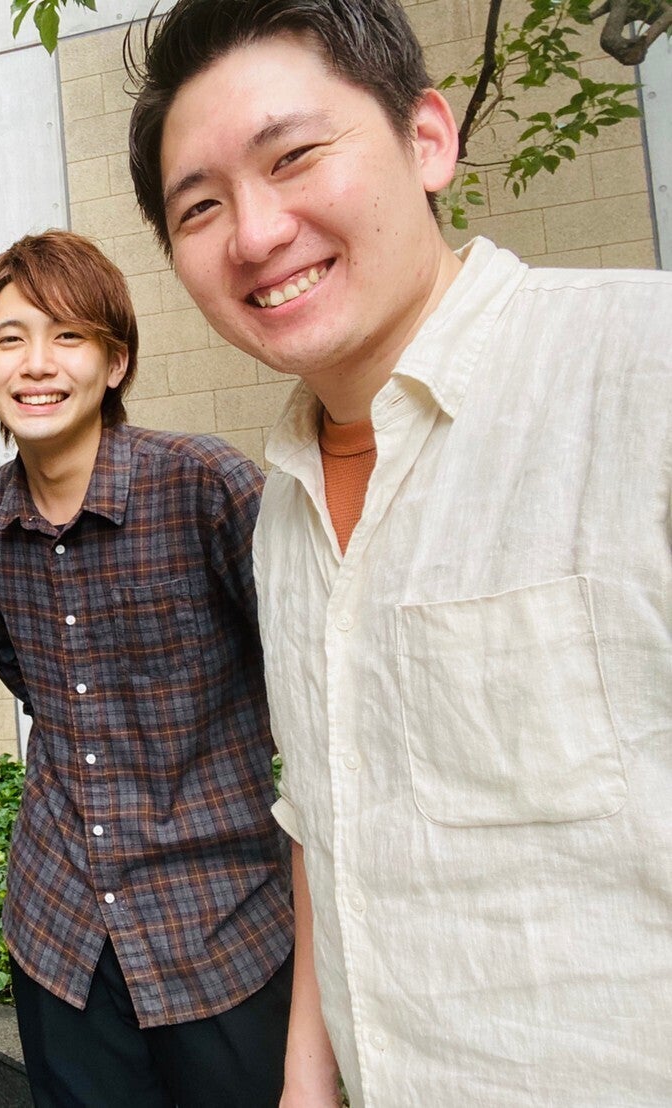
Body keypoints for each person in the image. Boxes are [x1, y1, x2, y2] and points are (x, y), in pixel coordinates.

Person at [126, 1, 672, 1104]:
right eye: (201, 206)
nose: (255, 233)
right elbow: (326, 821)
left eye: (293, 156)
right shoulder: (280, 508)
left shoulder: (641, 369)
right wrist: (305, 1078)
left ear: (426, 138)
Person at [0, 229, 292, 1107]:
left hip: (216, 929)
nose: (37, 363)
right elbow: (24, 672)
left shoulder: (207, 485)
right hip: (61, 930)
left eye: (68, 336)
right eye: (9, 339)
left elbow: (303, 672)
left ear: (115, 362)